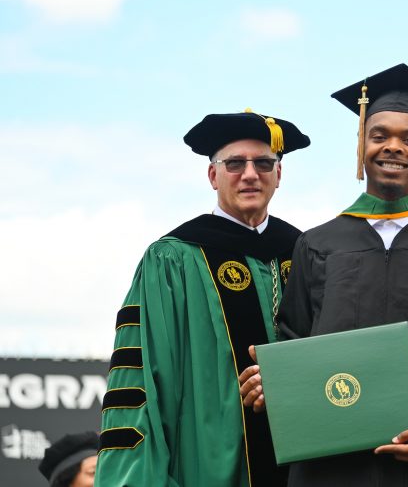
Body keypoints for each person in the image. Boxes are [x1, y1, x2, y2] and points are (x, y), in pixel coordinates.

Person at [240, 63, 408, 486]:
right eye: (379, 135)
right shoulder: (318, 244)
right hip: (329, 462)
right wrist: (277, 380)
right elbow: (295, 340)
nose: (393, 148)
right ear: (361, 143)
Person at [95, 109, 310, 486]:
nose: (249, 174)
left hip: (304, 463)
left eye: (263, 162)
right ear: (213, 175)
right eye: (234, 164)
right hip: (204, 466)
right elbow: (142, 381)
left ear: (279, 174)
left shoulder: (309, 255)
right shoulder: (173, 259)